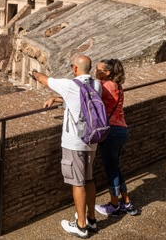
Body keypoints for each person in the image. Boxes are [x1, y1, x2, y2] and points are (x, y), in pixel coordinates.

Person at [31, 55, 101, 238]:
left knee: (77, 183)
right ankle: (92, 219)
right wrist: (57, 99)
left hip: (74, 142)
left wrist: (34, 73)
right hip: (92, 140)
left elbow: (43, 80)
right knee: (89, 179)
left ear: (75, 69)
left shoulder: (69, 85)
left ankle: (81, 225)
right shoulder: (96, 86)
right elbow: (80, 100)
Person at [93, 59, 140, 218]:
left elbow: (85, 96)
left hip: (111, 132)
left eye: (98, 69)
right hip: (122, 130)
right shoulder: (117, 86)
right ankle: (127, 203)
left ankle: (114, 205)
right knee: (116, 167)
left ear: (107, 72)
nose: (95, 71)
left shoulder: (104, 86)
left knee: (111, 170)